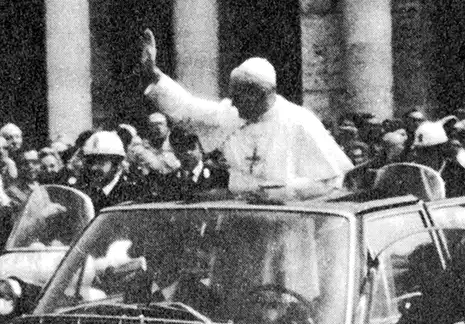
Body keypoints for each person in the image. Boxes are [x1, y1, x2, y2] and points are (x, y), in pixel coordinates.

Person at [139, 29, 350, 198]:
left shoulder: (300, 122)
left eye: (238, 96)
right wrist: (154, 74)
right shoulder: (232, 116)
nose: (233, 103)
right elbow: (188, 109)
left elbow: (330, 182)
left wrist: (279, 192)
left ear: (260, 95)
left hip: (289, 226)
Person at [75, 129, 142, 212]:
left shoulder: (133, 192)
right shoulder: (83, 192)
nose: (94, 167)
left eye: (101, 162)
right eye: (90, 162)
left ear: (117, 164)